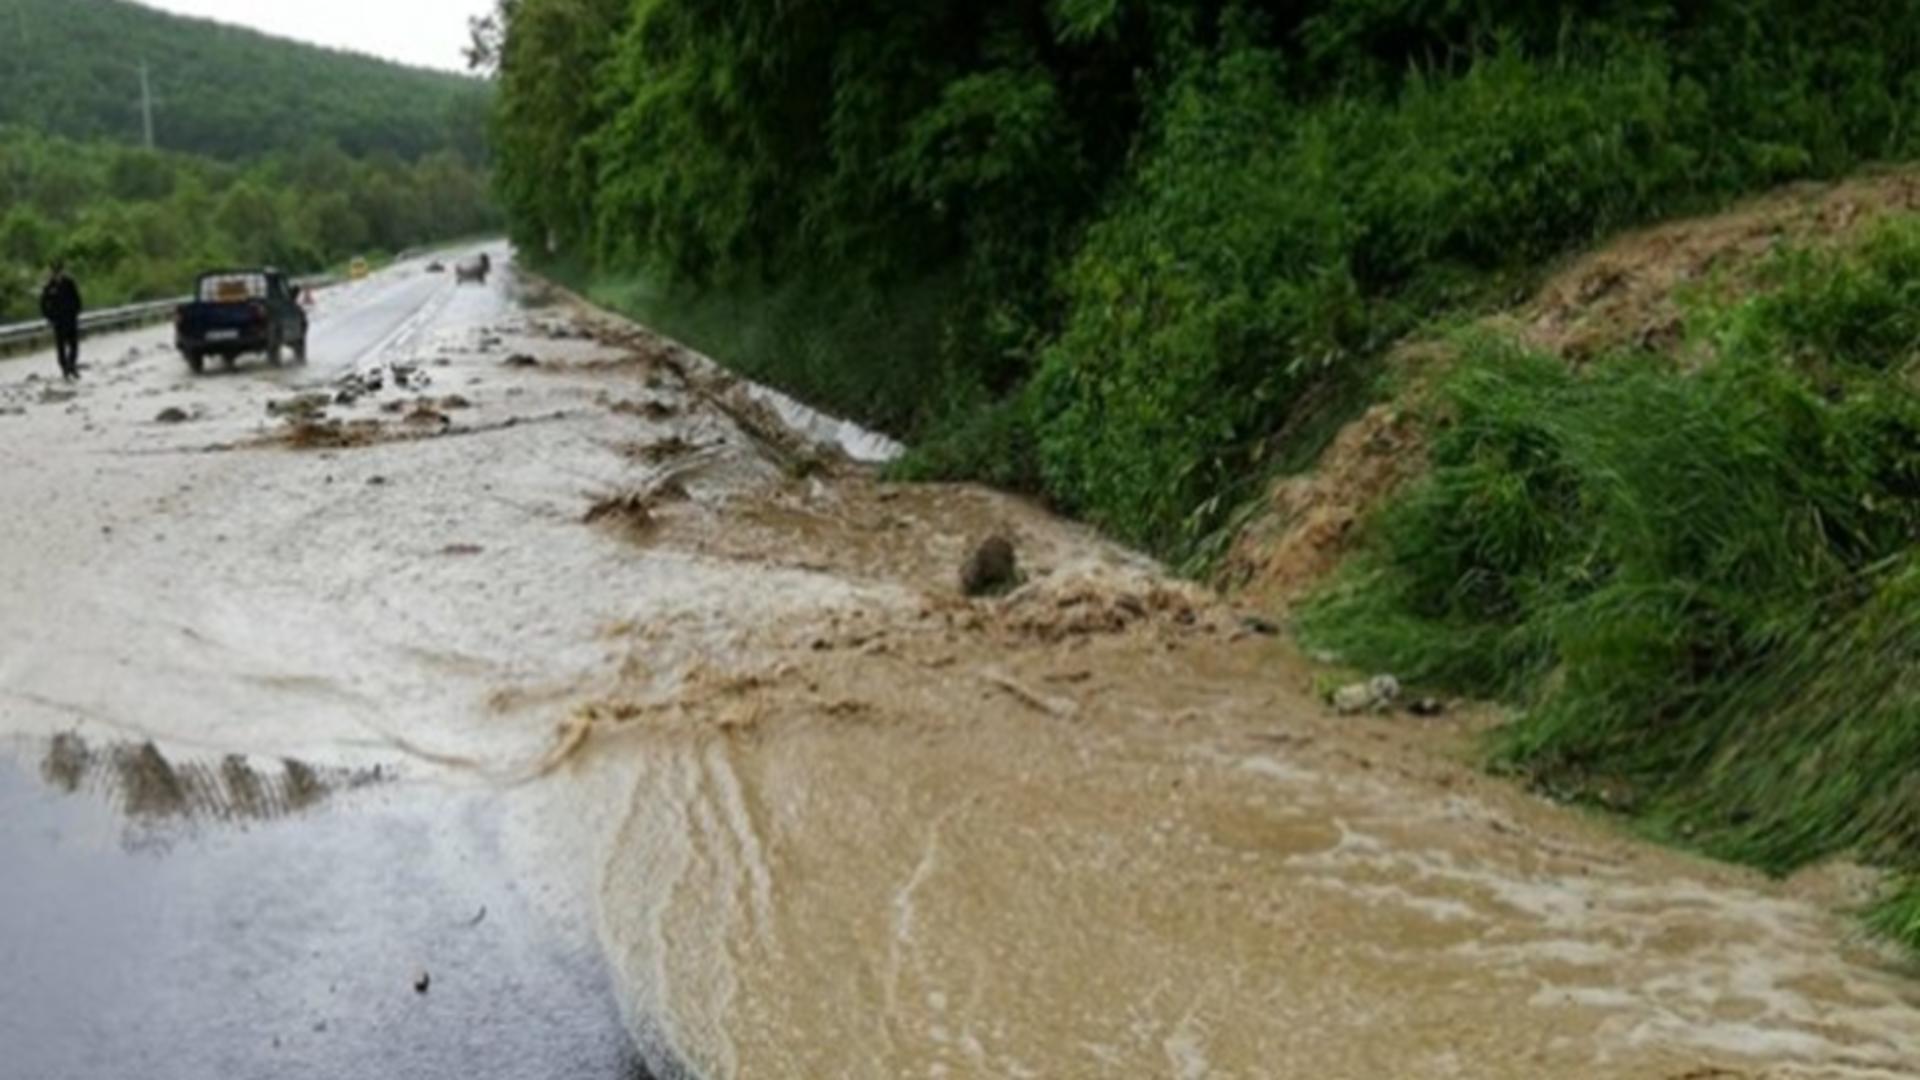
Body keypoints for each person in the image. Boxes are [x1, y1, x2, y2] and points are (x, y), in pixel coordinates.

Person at [39, 262, 83, 381]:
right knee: (61, 347)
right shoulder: (49, 287)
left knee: (74, 345)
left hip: (71, 319)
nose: (57, 275)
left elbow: (77, 299)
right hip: (58, 322)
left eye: (59, 272)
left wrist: (76, 313)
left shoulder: (69, 283)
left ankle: (72, 365)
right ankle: (65, 368)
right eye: (55, 273)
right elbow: (43, 304)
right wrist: (50, 317)